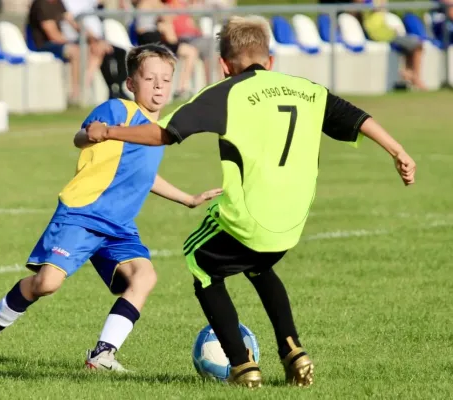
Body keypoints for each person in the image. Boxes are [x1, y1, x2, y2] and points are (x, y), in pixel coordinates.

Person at [84, 16, 416, 388]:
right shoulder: (306, 89)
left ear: (224, 65)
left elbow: (164, 132)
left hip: (250, 218)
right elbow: (357, 119)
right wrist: (398, 151)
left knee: (201, 261)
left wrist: (109, 132)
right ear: (270, 60)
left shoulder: (227, 92)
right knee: (258, 265)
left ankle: (242, 366)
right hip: (293, 222)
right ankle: (293, 350)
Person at [0, 44, 222, 372]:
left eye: (165, 79)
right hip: (84, 214)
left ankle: (102, 354)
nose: (158, 86)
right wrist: (90, 135)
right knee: (46, 284)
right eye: (150, 78)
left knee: (144, 277)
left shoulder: (157, 131)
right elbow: (80, 137)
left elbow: (144, 175)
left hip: (119, 226)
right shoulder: (117, 110)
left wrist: (187, 198)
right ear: (131, 83)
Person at [360, 0, 427, 90]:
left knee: (412, 47)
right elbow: (366, 5)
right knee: (417, 44)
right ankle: (415, 78)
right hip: (383, 36)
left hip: (389, 34)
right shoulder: (367, 3)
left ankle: (408, 75)